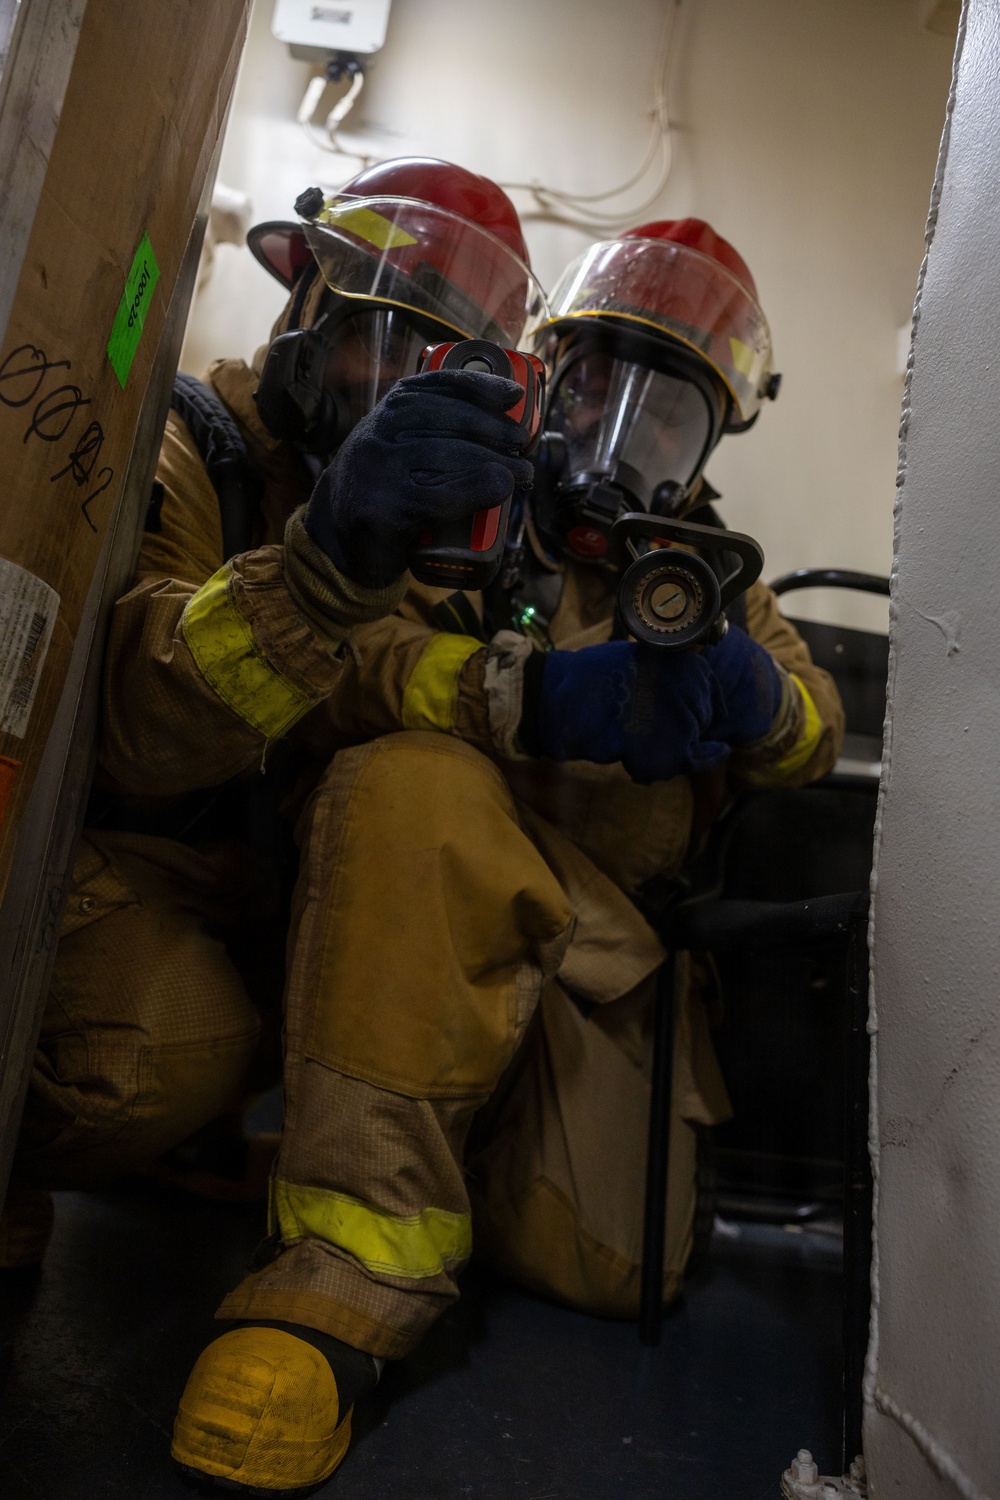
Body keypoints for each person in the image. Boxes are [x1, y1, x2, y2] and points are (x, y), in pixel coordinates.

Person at [162, 214, 843, 1491]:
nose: (619, 427)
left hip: (598, 967)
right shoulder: (469, 492)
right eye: (598, 378)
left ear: (706, 444)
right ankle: (332, 1297)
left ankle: (425, 1154)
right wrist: (521, 696)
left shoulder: (710, 572)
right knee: (405, 784)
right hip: (430, 890)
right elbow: (347, 666)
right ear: (551, 367)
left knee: (606, 1265)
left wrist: (761, 703)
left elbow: (816, 728)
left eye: (666, 413)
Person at [0, 152, 543, 1397]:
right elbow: (120, 722)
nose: (373, 381)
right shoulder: (181, 447)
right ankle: (24, 1151)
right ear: (303, 307)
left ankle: (277, 1228)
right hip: (109, 895)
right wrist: (320, 568)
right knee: (153, 1045)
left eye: (422, 359)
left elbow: (403, 734)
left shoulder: (433, 537)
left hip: (249, 899)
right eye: (365, 334)